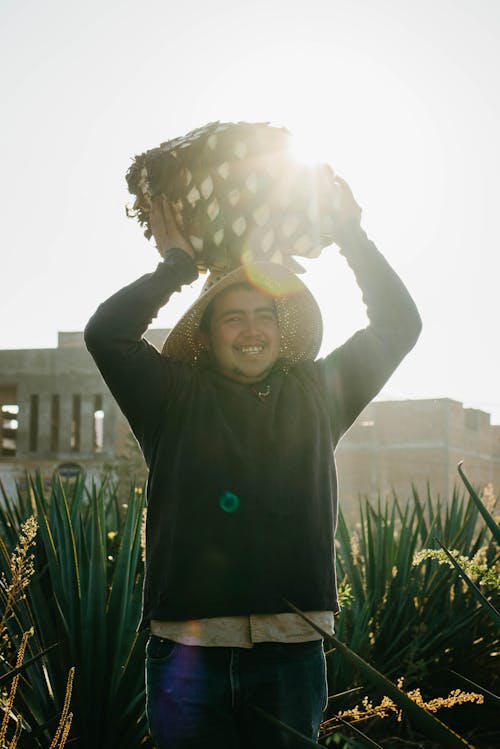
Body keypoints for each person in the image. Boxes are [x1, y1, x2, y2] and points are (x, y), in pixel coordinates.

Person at [84, 176, 421, 748]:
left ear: (280, 328)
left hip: (290, 650)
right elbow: (107, 334)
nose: (250, 330)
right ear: (209, 333)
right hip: (187, 652)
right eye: (232, 318)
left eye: (263, 315)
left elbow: (398, 325)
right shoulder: (171, 396)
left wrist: (350, 236)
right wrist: (176, 268)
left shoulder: (320, 393)